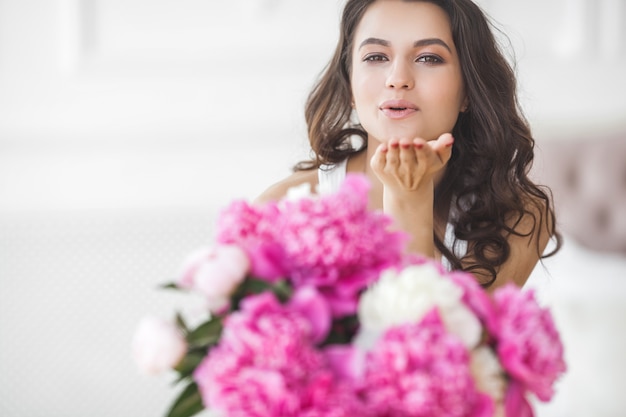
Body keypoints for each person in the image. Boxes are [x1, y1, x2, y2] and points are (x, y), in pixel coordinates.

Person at [255, 0, 560, 290]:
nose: (398, 79)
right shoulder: (281, 208)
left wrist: (409, 198)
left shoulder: (519, 217)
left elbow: (438, 343)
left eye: (429, 58)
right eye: (376, 57)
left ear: (468, 90)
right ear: (349, 85)